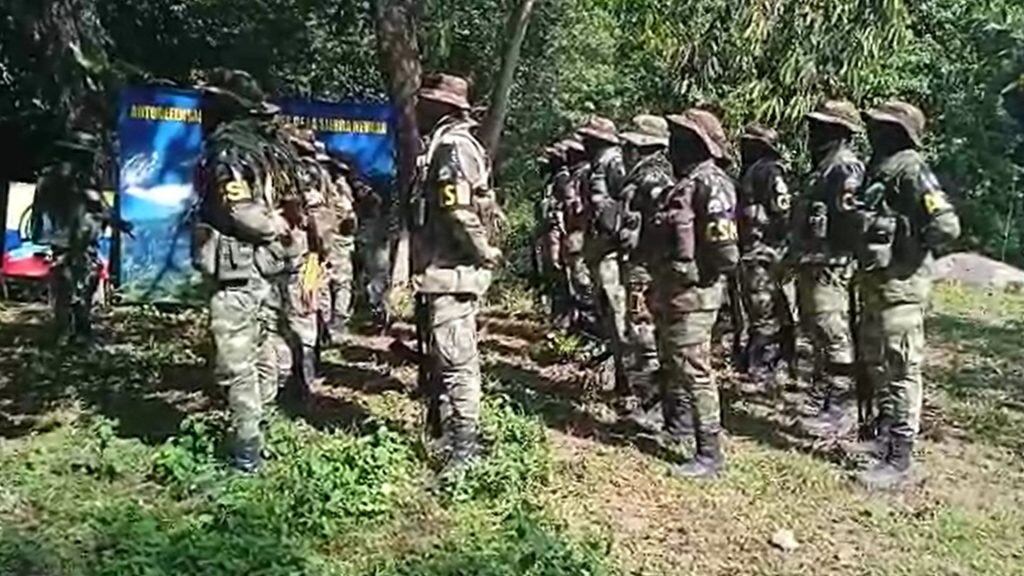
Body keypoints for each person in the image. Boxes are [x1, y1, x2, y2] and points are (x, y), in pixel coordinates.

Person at [192, 69, 296, 473]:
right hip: (259, 267)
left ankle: (246, 454)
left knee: (235, 362)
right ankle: (260, 423)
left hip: (237, 269)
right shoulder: (257, 146)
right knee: (262, 345)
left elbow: (240, 209)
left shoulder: (228, 150)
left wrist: (272, 227)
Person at [854, 101, 960, 490]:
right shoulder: (879, 167)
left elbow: (946, 225)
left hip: (902, 286)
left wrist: (906, 243)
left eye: (881, 126)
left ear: (898, 132)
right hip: (876, 283)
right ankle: (884, 439)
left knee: (901, 369)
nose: (872, 132)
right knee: (877, 362)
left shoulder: (912, 169)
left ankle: (899, 457)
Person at [411, 73, 503, 475]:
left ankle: (465, 449)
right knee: (448, 355)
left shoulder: (450, 147)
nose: (417, 109)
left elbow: (457, 211)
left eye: (425, 102)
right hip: (446, 268)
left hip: (453, 270)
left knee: (456, 359)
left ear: (442, 108)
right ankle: (456, 434)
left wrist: (484, 252)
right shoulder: (447, 145)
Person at [648, 109, 739, 478]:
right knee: (677, 362)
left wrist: (699, 278)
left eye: (681, 138)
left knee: (695, 368)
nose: (672, 146)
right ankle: (681, 428)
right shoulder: (686, 182)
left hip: (697, 293)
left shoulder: (711, 183)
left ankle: (709, 453)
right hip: (677, 288)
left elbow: (725, 251)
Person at [792, 100, 865, 438]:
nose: (812, 133)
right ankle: (825, 396)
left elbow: (851, 221)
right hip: (814, 262)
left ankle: (841, 405)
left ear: (839, 132)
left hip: (832, 265)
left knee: (834, 333)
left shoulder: (844, 168)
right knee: (818, 331)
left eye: (820, 127)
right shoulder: (823, 167)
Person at [32, 130, 128, 344]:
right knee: (83, 287)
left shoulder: (49, 175)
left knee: (63, 288)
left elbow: (39, 210)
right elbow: (99, 206)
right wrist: (118, 222)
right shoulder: (82, 177)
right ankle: (81, 333)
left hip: (60, 241)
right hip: (80, 241)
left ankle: (62, 333)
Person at [617, 114, 674, 426]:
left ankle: (652, 406)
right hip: (641, 265)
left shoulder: (652, 180)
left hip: (646, 268)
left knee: (644, 334)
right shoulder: (646, 176)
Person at [736, 124, 794, 390]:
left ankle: (767, 369)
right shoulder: (752, 170)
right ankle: (763, 362)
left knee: (764, 309)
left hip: (763, 252)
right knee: (760, 309)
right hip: (754, 251)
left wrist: (774, 247)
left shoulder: (769, 170)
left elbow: (781, 212)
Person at [579, 116, 630, 399]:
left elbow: (627, 205)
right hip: (600, 251)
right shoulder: (595, 166)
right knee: (608, 317)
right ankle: (618, 375)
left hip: (613, 255)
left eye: (589, 137)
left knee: (620, 316)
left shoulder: (614, 163)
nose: (584, 142)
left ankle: (629, 384)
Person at [320, 153, 358, 343]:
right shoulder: (334, 188)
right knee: (336, 283)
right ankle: (331, 326)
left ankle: (332, 325)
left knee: (331, 283)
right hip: (332, 239)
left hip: (331, 239)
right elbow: (349, 218)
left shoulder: (335, 186)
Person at [559, 137, 596, 333]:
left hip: (582, 237)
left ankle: (591, 332)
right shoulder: (575, 176)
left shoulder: (585, 175)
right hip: (575, 236)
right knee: (577, 286)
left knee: (585, 287)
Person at [535, 143, 572, 328]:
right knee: (550, 275)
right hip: (548, 233)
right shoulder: (551, 181)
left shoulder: (563, 178)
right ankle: (556, 317)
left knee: (560, 274)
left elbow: (567, 206)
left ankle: (565, 320)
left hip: (557, 234)